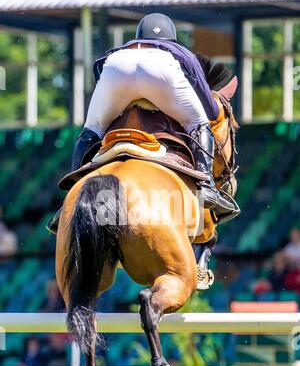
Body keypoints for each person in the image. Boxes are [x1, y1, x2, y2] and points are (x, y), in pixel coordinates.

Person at [47, 12, 237, 235]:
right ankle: (206, 189)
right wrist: (214, 110)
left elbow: (98, 71)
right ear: (171, 39)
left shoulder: (121, 50)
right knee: (199, 122)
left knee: (91, 130)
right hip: (161, 70)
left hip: (116, 68)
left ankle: (73, 197)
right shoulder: (178, 52)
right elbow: (209, 107)